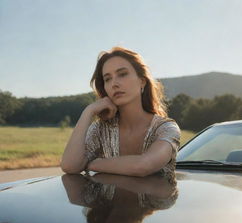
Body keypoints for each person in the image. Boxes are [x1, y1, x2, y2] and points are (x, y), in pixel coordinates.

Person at [61, 46, 180, 177]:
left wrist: (92, 164)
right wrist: (88, 111)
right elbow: (69, 166)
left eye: (122, 74)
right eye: (107, 79)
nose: (114, 84)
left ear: (142, 81)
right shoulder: (100, 130)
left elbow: (144, 165)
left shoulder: (166, 128)